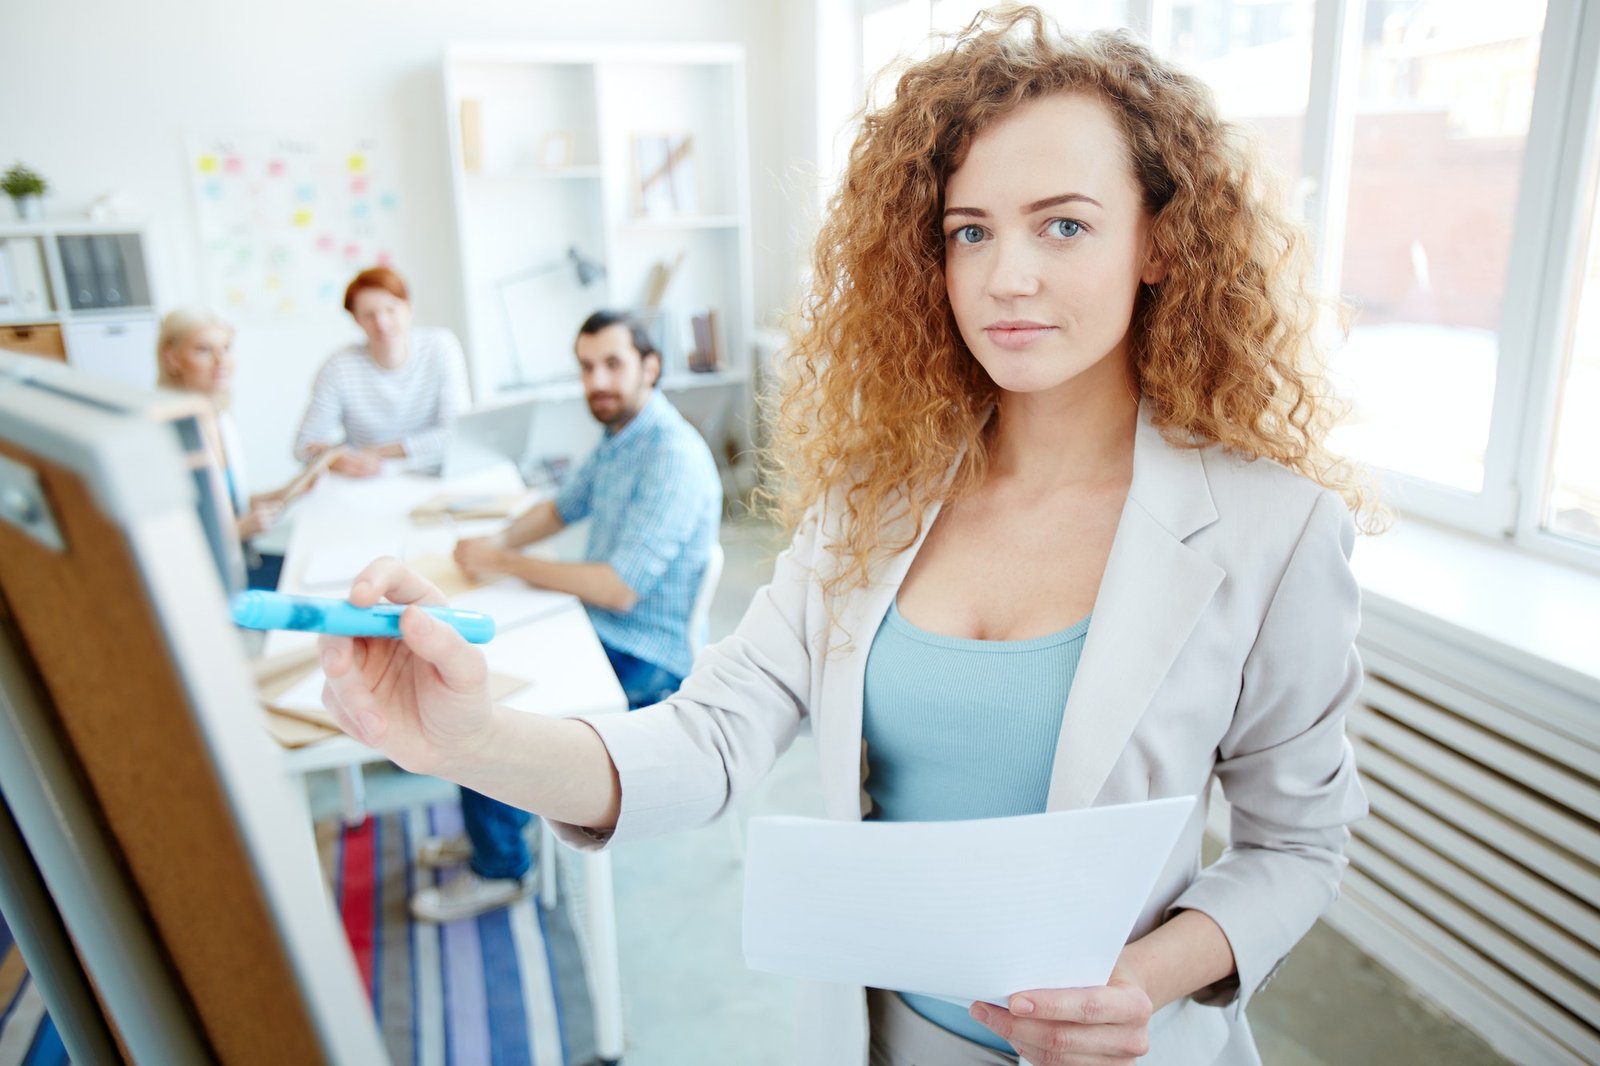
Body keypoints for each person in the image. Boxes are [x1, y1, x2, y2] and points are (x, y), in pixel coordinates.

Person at [320, 10, 1371, 1065]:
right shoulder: (875, 499)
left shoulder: (1272, 528)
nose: (1007, 276)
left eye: (1063, 225)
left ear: (1156, 239)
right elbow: (708, 734)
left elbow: (1294, 846)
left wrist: (1139, 981)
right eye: (970, 230)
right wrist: (471, 740)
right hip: (885, 1041)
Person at [406, 309, 723, 923]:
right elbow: (559, 508)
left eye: (613, 365)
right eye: (586, 367)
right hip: (605, 629)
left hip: (648, 657)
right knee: (476, 667)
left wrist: (505, 561)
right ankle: (494, 834)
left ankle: (500, 869)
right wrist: (493, 546)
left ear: (650, 368)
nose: (596, 381)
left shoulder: (670, 457)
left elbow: (617, 588)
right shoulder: (619, 438)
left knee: (486, 707)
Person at [156, 307, 316, 590]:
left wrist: (293, 488)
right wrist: (240, 529)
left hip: (241, 564)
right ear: (172, 358)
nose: (221, 362)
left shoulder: (220, 419)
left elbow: (228, 503)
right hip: (204, 584)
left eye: (226, 348)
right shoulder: (165, 433)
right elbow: (167, 539)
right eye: (204, 350)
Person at [292, 266, 470, 477]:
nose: (382, 323)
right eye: (369, 315)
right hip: (367, 480)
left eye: (391, 310)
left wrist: (376, 452)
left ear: (408, 307)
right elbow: (305, 446)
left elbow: (458, 433)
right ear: (356, 320)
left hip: (435, 473)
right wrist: (337, 460)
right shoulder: (339, 367)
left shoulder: (440, 347)